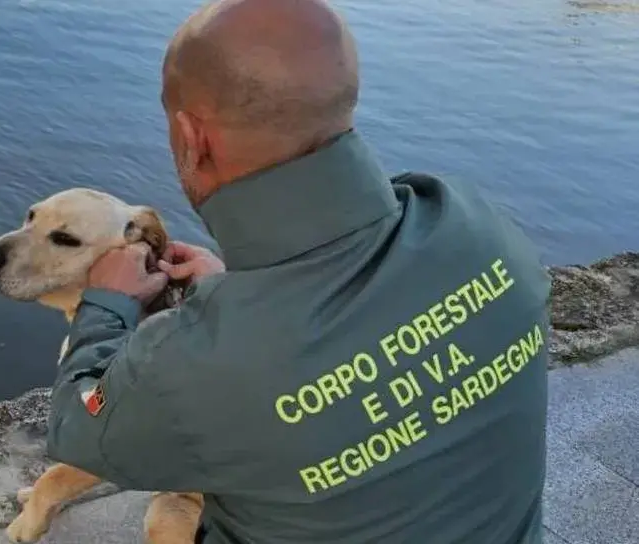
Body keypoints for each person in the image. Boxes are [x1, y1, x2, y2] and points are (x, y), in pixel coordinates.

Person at [45, 0, 553, 542]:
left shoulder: (195, 366)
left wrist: (107, 303)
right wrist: (235, 290)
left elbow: (79, 429)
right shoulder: (480, 228)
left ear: (193, 139)